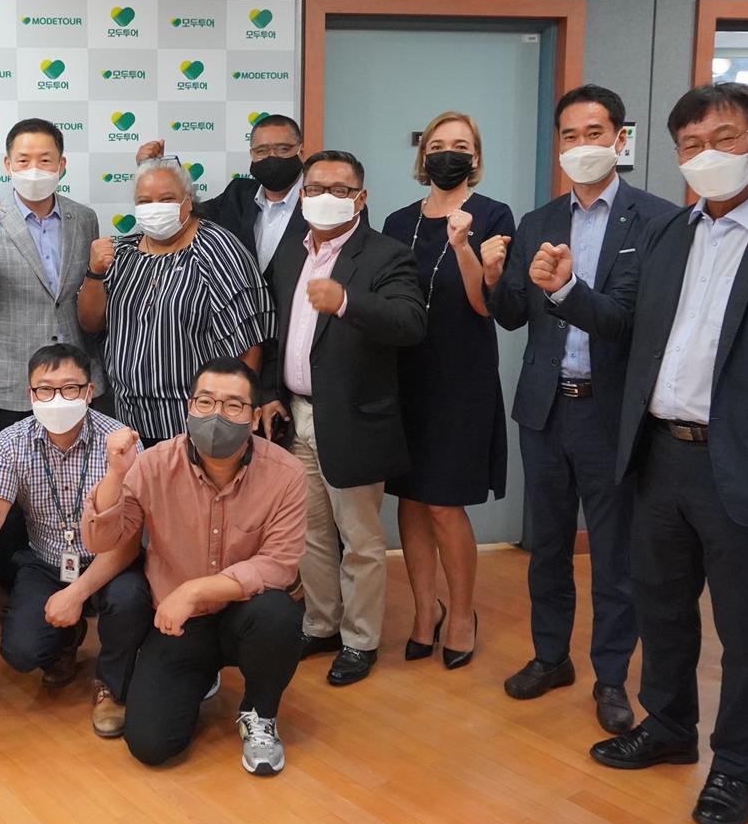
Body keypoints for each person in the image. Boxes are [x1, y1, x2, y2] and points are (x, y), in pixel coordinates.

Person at [537, 82, 748, 824]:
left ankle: (740, 764)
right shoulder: (668, 233)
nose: (706, 155)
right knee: (661, 606)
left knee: (745, 627)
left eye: (724, 139)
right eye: (691, 145)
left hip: (745, 466)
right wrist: (566, 292)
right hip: (659, 454)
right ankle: (669, 726)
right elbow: (626, 324)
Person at [483, 85, 678, 731]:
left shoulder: (655, 221)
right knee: (547, 547)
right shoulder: (538, 220)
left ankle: (611, 677)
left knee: (614, 554)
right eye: (569, 135)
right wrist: (493, 277)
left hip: (609, 413)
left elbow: (625, 319)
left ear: (620, 139)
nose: (581, 145)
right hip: (545, 410)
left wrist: (566, 287)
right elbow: (514, 314)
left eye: (594, 133)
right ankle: (550, 658)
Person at [83, 357, 307, 776]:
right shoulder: (154, 464)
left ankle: (260, 713)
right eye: (205, 402)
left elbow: (280, 565)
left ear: (254, 417)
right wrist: (115, 475)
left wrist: (195, 590)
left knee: (278, 614)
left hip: (245, 613)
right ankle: (200, 676)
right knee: (150, 745)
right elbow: (101, 541)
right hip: (181, 626)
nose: (216, 415)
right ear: (189, 407)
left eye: (233, 405)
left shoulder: (287, 474)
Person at [258, 150, 427, 686]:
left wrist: (348, 301)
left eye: (339, 189)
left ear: (361, 198)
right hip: (296, 415)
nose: (325, 198)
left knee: (360, 540)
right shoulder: (291, 252)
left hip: (354, 419)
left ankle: (360, 639)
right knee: (308, 532)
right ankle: (322, 623)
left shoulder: (386, 255)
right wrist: (270, 393)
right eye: (315, 188)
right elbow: (275, 331)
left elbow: (410, 322)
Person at [380, 112, 515, 669]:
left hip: (461, 379)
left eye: (460, 145)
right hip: (404, 376)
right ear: (423, 156)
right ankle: (423, 611)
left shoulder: (494, 215)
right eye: (437, 145)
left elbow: (487, 305)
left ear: (475, 158)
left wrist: (463, 246)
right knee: (411, 500)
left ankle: (461, 614)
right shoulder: (397, 221)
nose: (447, 154)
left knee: (443, 502)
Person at [0, 344, 150, 737]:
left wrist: (76, 593)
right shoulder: (12, 441)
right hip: (46, 561)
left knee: (129, 598)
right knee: (21, 651)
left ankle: (111, 686)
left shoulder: (121, 442)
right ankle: (64, 642)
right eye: (45, 389)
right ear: (30, 395)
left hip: (109, 560)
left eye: (70, 388)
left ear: (89, 391)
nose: (57, 399)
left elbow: (129, 542)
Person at [0, 117, 105, 589]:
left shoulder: (83, 217)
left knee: (80, 484)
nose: (34, 168)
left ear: (62, 164)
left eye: (45, 159)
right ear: (7, 164)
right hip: (14, 377)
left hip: (75, 374)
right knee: (13, 491)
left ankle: (83, 582)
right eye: (23, 160)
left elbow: (82, 293)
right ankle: (16, 589)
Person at [78, 157, 274, 445]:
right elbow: (90, 323)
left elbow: (250, 344)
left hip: (197, 423)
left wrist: (230, 414)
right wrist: (95, 273)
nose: (155, 207)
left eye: (167, 198)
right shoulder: (124, 253)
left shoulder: (217, 249)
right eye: (145, 201)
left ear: (188, 201)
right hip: (129, 421)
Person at [135, 114, 310, 271]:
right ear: (252, 154)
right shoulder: (237, 193)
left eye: (283, 149)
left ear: (300, 152)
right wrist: (152, 168)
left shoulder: (316, 202)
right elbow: (187, 211)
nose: (272, 157)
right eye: (261, 151)